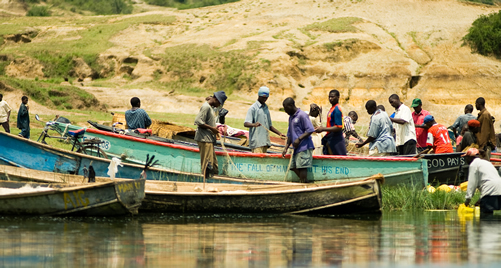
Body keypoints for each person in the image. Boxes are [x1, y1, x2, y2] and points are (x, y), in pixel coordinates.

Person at [282, 98, 315, 183]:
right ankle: (305, 182)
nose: (285, 111)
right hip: (296, 148)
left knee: (302, 167)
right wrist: (286, 147)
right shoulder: (291, 117)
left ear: (291, 106)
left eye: (286, 108)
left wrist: (299, 139)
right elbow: (290, 134)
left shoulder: (302, 115)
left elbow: (310, 129)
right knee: (292, 166)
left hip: (304, 146)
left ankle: (304, 184)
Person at [195, 91, 227, 178]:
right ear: (216, 99)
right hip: (204, 139)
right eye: (219, 103)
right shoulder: (206, 107)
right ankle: (206, 182)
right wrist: (212, 128)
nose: (219, 106)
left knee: (213, 165)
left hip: (209, 139)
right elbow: (198, 121)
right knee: (207, 165)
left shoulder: (210, 107)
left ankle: (213, 179)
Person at [244, 86, 285, 153]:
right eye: (263, 97)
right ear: (259, 96)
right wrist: (254, 124)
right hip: (257, 143)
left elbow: (270, 126)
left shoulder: (266, 108)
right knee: (257, 162)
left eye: (266, 98)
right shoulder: (253, 108)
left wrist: (279, 134)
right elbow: (246, 123)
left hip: (265, 143)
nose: (265, 99)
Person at [463, 148, 501, 214]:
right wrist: (480, 199)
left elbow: (472, 184)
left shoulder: (473, 164)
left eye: (466, 157)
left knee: (485, 218)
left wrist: (467, 200)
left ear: (470, 157)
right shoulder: (486, 163)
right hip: (499, 190)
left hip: (489, 191)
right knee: (496, 221)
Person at [315, 89, 347, 155]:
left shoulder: (337, 109)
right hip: (331, 137)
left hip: (336, 138)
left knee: (338, 160)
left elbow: (338, 127)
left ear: (338, 97)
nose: (330, 98)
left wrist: (323, 129)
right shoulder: (332, 109)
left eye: (332, 97)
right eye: (329, 97)